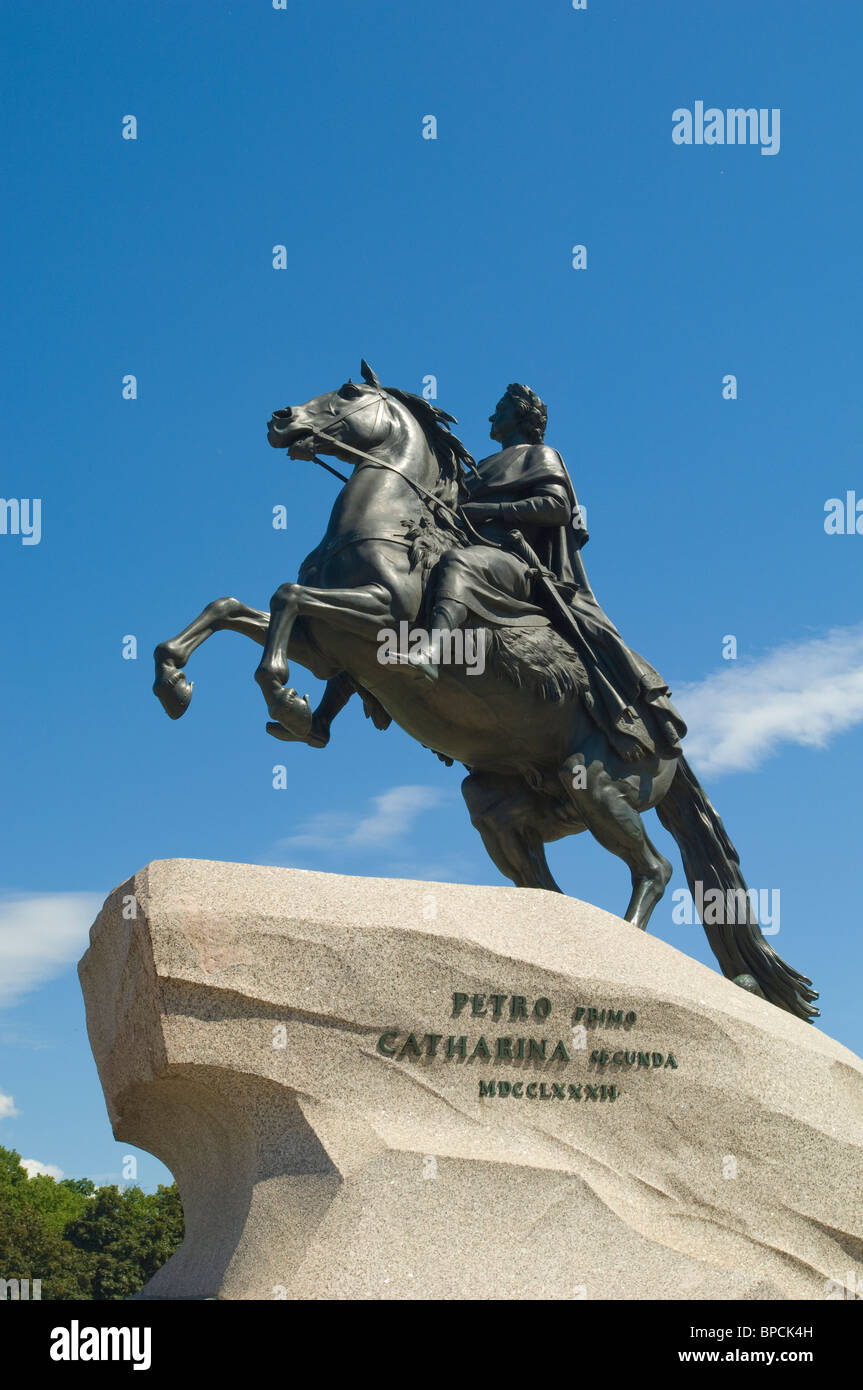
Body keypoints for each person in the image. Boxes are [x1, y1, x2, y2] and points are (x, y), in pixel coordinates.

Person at [420, 383, 686, 763]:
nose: (492, 417)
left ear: (523, 417)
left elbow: (556, 506)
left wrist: (489, 510)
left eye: (500, 409)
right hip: (475, 549)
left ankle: (432, 651)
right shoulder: (477, 468)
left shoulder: (539, 455)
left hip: (515, 560)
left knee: (457, 565)